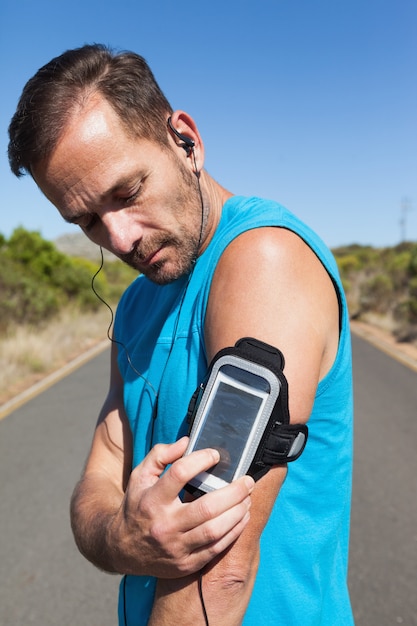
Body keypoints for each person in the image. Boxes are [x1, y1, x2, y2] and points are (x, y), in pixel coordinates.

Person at [8, 44, 354, 625]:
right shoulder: (138, 302)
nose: (119, 240)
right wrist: (123, 539)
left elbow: (223, 568)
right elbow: (103, 469)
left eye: (127, 193)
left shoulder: (263, 261)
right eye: (87, 219)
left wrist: (124, 535)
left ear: (185, 141)